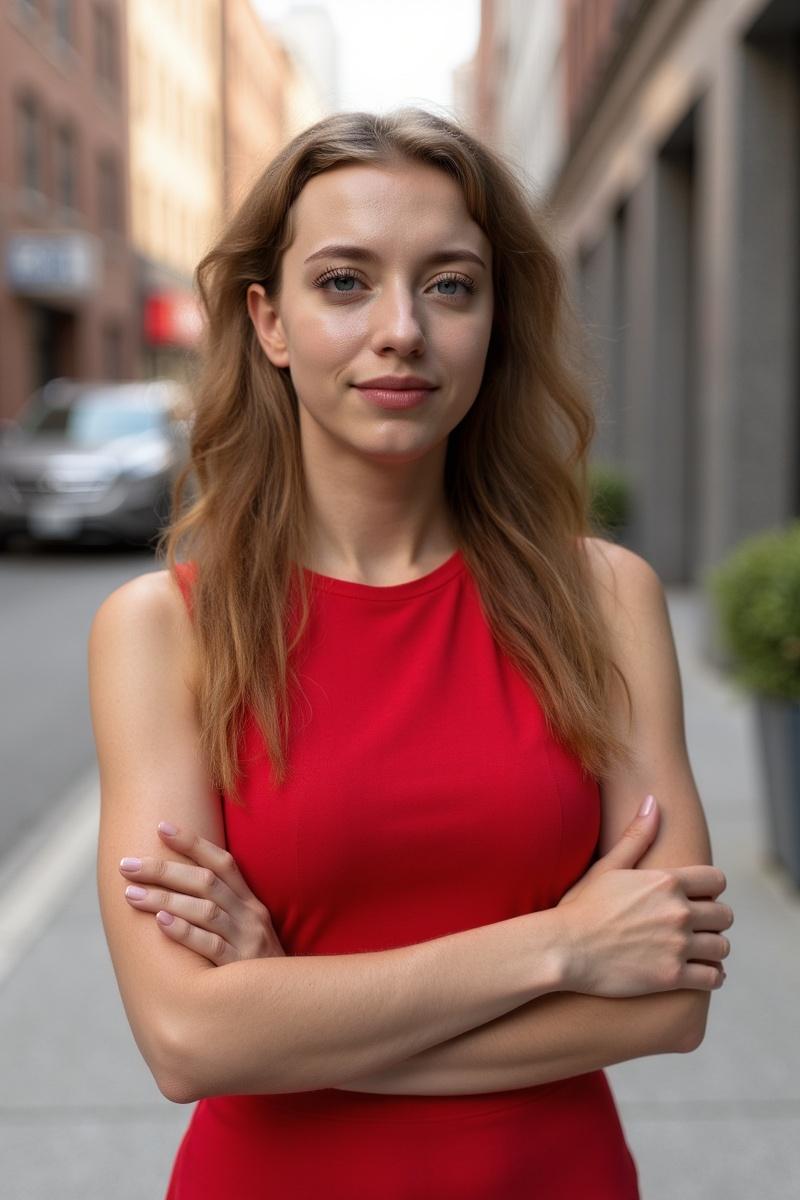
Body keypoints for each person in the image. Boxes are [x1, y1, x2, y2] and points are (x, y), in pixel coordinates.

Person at [89, 107, 733, 1199]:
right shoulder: (166, 630)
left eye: (449, 285)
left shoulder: (601, 601)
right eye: (344, 282)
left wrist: (293, 1008)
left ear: (492, 318)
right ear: (269, 320)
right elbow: (190, 1041)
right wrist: (559, 949)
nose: (401, 329)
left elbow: (670, 1000)